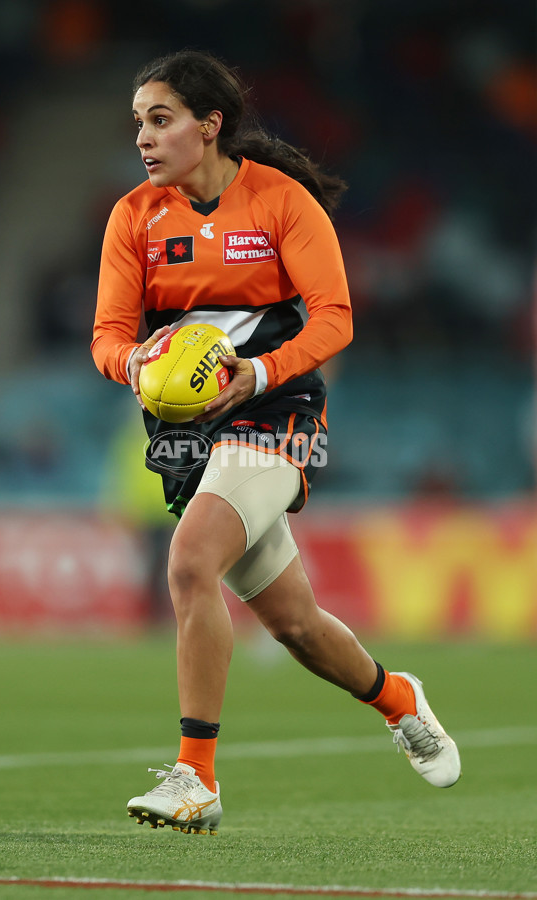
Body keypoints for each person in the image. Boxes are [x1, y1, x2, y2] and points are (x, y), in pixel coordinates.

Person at [91, 49, 461, 835]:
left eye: (161, 120)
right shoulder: (133, 219)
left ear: (210, 124)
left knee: (190, 560)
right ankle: (398, 698)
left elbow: (336, 318)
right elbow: (108, 338)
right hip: (190, 428)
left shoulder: (282, 204)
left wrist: (255, 376)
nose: (145, 140)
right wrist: (139, 361)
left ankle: (196, 778)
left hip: (276, 409)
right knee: (293, 624)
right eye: (138, 125)